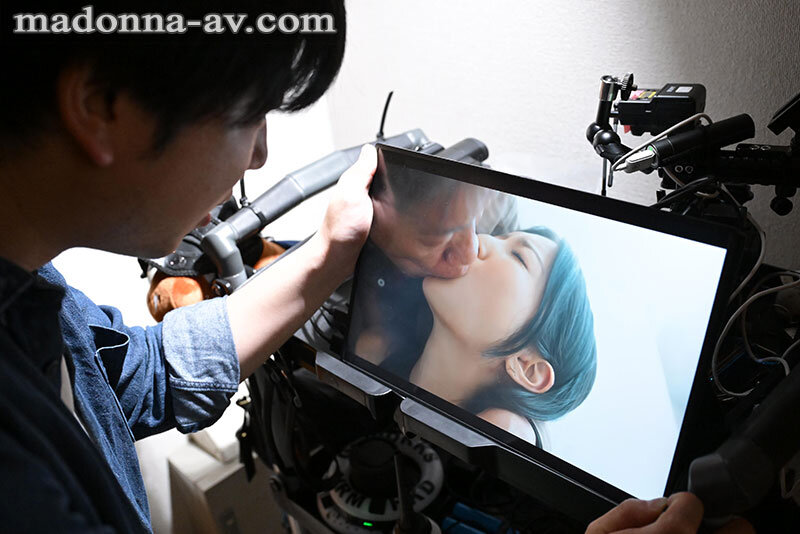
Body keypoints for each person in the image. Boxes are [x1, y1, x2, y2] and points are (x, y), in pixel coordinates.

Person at [0, 1, 374, 531]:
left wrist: (332, 251)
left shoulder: (31, 288)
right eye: (251, 113)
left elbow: (131, 378)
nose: (259, 154)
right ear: (99, 105)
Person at [363, 227, 597, 444]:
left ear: (527, 367)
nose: (479, 240)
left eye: (519, 256)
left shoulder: (506, 429)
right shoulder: (374, 348)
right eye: (501, 237)